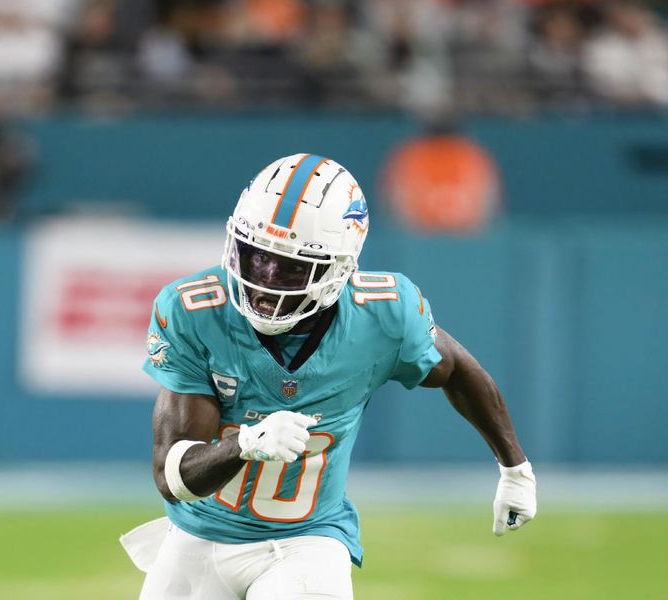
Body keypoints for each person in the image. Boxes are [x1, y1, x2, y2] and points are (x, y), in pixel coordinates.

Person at [120, 153, 537, 600]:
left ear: (340, 269)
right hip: (197, 538)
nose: (266, 280)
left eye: (294, 266)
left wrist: (515, 468)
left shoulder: (384, 316)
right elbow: (173, 478)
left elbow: (458, 372)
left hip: (307, 541)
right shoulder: (192, 312)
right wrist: (245, 444)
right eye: (255, 255)